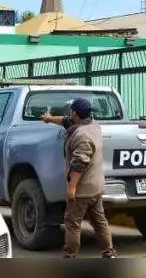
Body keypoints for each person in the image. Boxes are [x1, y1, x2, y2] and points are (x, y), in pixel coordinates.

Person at [41, 98, 117, 258]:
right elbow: (67, 121)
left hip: (82, 190)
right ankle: (109, 253)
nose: (69, 114)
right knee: (99, 221)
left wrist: (72, 187)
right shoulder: (93, 126)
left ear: (75, 113)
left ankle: (70, 255)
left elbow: (80, 163)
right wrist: (50, 119)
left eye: (71, 111)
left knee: (73, 223)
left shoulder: (80, 135)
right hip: (96, 187)